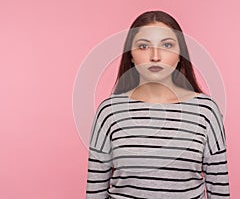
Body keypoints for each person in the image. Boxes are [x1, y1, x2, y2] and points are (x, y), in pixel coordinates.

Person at [86, 10, 230, 199]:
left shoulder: (206, 111)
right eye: (144, 46)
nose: (155, 56)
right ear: (131, 55)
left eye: (167, 45)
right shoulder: (109, 112)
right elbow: (95, 192)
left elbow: (219, 189)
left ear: (180, 55)